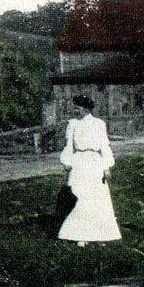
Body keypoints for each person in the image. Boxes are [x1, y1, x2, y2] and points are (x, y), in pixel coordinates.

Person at [58, 94, 121, 245]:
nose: (76, 111)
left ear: (86, 109)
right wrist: (67, 161)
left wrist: (106, 167)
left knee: (96, 199)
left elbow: (105, 146)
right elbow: (69, 146)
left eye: (78, 108)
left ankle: (99, 235)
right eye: (75, 108)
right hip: (80, 162)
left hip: (94, 162)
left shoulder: (99, 124)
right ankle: (81, 234)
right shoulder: (72, 124)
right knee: (81, 195)